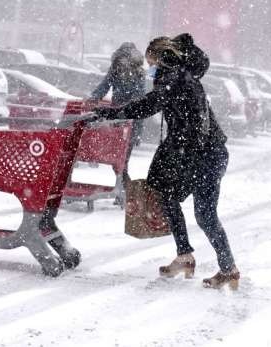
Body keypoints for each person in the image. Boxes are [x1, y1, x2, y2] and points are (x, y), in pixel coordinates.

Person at [93, 34, 239, 289]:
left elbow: (148, 105)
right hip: (208, 153)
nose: (149, 70)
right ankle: (219, 266)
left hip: (202, 155)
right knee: (199, 212)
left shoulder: (175, 79)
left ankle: (193, 258)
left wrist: (111, 113)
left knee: (176, 199)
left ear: (160, 58)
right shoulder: (184, 77)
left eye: (151, 63)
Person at [89, 42, 147, 146]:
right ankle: (125, 148)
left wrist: (95, 97)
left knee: (125, 138)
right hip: (121, 106)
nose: (123, 63)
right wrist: (95, 97)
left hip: (130, 108)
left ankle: (130, 142)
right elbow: (105, 85)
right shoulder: (116, 69)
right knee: (119, 138)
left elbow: (139, 95)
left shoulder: (137, 72)